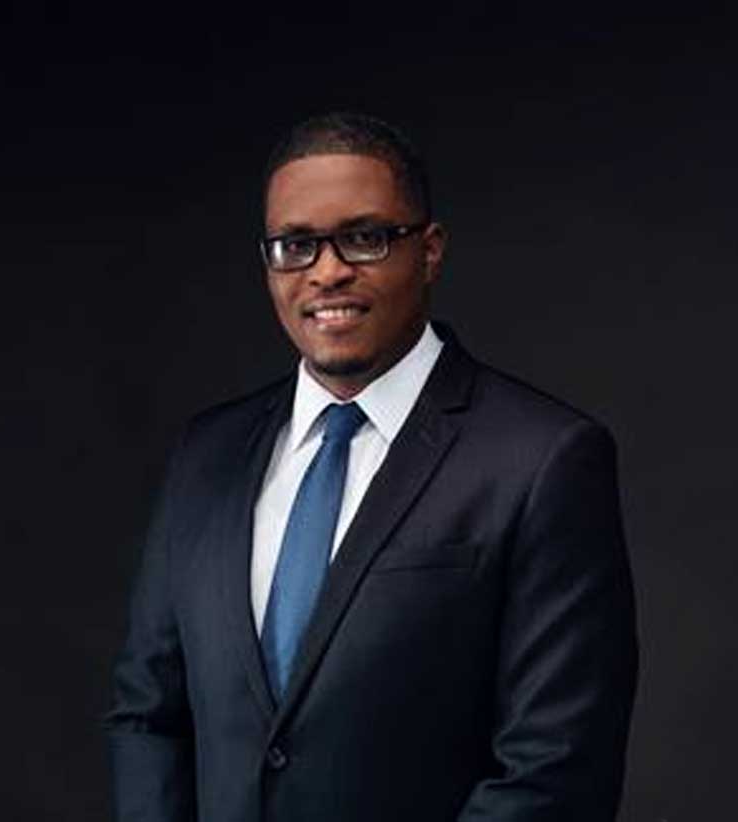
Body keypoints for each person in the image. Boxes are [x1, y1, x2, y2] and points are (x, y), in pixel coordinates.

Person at [103, 112, 638, 821]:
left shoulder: (543, 459)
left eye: (363, 237)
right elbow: (148, 715)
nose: (327, 271)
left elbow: (555, 768)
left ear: (430, 250)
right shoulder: (208, 455)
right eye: (296, 245)